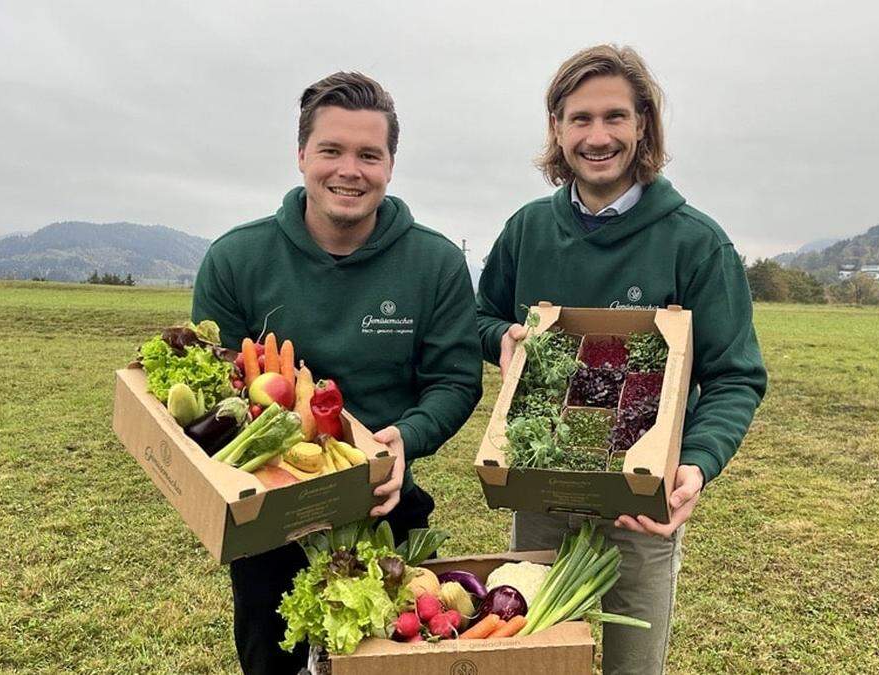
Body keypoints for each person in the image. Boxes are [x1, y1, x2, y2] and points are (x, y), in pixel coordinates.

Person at [475, 45, 767, 674]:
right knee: (535, 655)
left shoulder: (696, 241)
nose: (597, 136)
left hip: (641, 500)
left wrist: (697, 463)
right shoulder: (526, 231)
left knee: (634, 663)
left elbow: (734, 374)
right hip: (541, 487)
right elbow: (481, 315)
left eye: (615, 117)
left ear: (643, 126)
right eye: (580, 119)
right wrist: (501, 337)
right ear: (557, 128)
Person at [192, 71, 482, 674]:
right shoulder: (236, 259)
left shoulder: (434, 263)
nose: (350, 170)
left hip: (386, 508)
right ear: (302, 155)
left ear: (390, 166)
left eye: (369, 154)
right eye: (331, 150)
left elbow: (454, 380)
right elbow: (217, 398)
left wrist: (408, 436)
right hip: (266, 525)